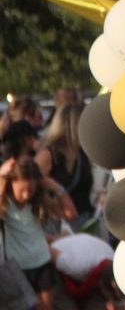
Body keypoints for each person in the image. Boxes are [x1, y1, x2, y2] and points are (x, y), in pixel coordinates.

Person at [0, 157, 72, 310]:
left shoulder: (38, 201)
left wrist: (54, 186)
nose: (26, 195)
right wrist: (1, 178)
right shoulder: (6, 203)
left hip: (42, 264)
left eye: (31, 190)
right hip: (17, 269)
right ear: (10, 184)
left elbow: (70, 214)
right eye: (22, 190)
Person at [34, 103, 93, 233]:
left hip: (84, 220)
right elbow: (33, 181)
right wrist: (56, 196)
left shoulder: (80, 153)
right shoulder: (50, 154)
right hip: (60, 225)